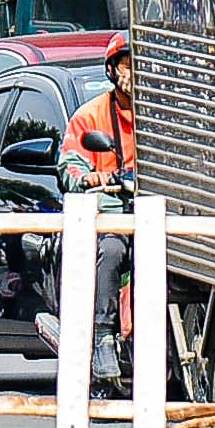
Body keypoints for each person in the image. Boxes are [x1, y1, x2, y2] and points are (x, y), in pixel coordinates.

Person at [37, 35, 139, 378]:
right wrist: (93, 177)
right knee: (111, 251)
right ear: (112, 69)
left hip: (153, 213)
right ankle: (103, 336)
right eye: (127, 64)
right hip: (109, 214)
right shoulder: (90, 117)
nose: (134, 72)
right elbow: (69, 166)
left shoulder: (160, 116)